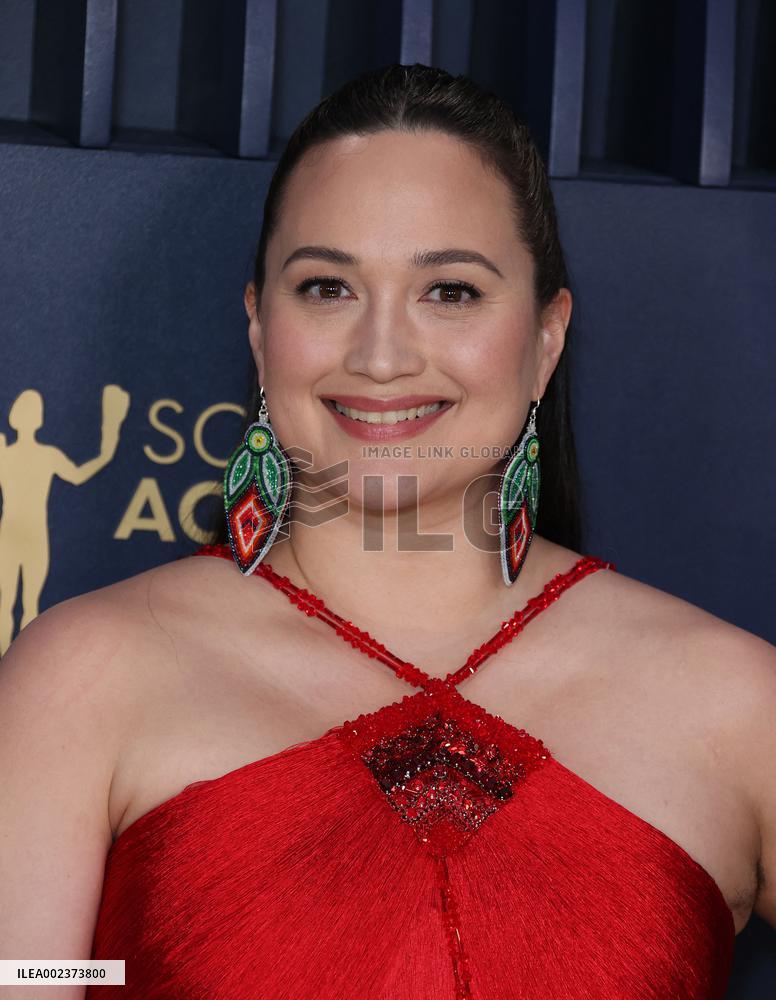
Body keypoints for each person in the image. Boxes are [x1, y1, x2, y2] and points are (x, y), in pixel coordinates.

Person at [1, 63, 774, 999]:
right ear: (258, 327)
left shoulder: (736, 706)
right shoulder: (85, 677)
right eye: (326, 288)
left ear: (546, 338)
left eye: (449, 291)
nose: (379, 356)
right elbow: (30, 974)